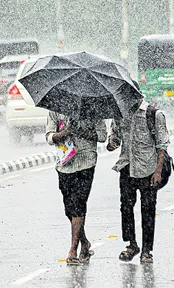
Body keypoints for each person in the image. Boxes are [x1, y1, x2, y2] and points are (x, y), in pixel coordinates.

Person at [108, 97, 170, 264]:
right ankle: (131, 244)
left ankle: (147, 250)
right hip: (126, 167)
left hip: (148, 169)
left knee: (148, 211)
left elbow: (162, 145)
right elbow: (115, 137)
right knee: (126, 207)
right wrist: (112, 143)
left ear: (138, 97)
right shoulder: (119, 114)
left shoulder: (154, 114)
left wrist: (158, 171)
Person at [46, 111, 107, 265]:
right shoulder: (55, 109)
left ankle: (73, 249)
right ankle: (84, 242)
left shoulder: (93, 108)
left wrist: (81, 131)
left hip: (86, 162)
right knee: (69, 209)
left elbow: (102, 136)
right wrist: (64, 133)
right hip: (65, 164)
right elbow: (49, 136)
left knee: (79, 204)